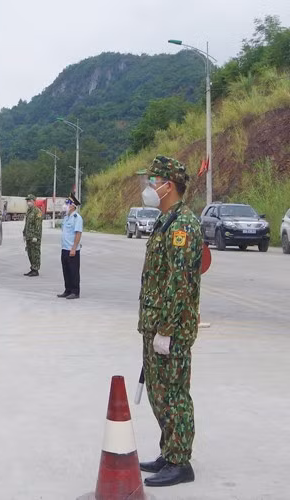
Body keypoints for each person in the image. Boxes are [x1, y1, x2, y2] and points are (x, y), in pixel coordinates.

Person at [136, 155, 202, 488]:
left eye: (153, 181)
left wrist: (166, 329)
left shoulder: (183, 225)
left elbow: (181, 281)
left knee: (174, 394)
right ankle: (169, 451)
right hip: (156, 323)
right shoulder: (167, 220)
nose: (149, 187)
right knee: (159, 394)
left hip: (171, 328)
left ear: (169, 185)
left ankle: (181, 462)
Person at [57, 193, 82, 299]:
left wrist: (74, 248)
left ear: (73, 206)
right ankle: (68, 290)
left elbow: (78, 233)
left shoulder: (77, 218)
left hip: (72, 250)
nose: (65, 205)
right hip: (64, 248)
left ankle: (75, 292)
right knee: (66, 271)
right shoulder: (66, 217)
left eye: (67, 203)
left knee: (73, 271)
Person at [23, 194, 43, 276]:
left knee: (35, 253)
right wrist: (24, 233)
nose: (28, 202)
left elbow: (38, 225)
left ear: (34, 201)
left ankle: (36, 269)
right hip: (28, 236)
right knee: (30, 253)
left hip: (34, 237)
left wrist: (36, 236)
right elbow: (26, 223)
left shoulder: (37, 211)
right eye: (27, 201)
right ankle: (32, 268)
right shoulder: (29, 211)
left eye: (30, 201)